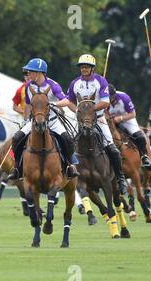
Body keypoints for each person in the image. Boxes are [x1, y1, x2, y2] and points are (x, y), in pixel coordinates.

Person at [56, 54, 128, 194]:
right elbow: (70, 101)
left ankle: (120, 178)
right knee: (69, 143)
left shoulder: (101, 81)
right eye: (82, 67)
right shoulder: (75, 83)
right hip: (81, 121)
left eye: (86, 67)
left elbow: (106, 102)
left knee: (112, 148)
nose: (84, 69)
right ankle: (68, 172)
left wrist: (90, 109)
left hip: (99, 119)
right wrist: (77, 110)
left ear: (92, 68)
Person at [8, 58, 79, 180]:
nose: (28, 74)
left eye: (31, 71)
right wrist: (25, 120)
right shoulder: (29, 86)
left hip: (52, 121)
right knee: (16, 138)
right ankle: (17, 168)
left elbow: (66, 100)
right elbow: (28, 105)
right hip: (34, 121)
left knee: (67, 139)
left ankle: (69, 166)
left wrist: (54, 104)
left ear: (39, 72)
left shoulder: (53, 85)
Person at [107, 84, 151, 169]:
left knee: (139, 136)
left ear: (114, 95)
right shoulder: (103, 100)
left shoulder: (124, 97)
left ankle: (144, 157)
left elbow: (133, 114)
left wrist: (121, 118)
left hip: (127, 119)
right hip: (111, 122)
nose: (108, 100)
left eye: (109, 97)